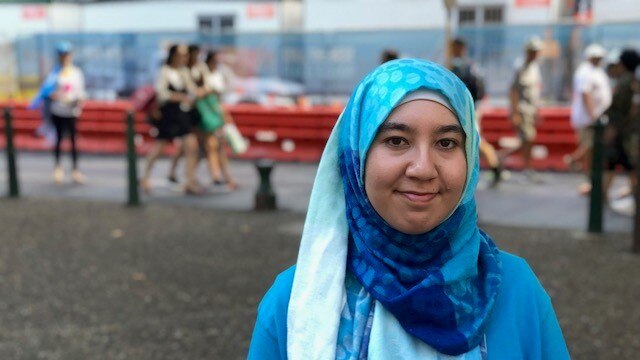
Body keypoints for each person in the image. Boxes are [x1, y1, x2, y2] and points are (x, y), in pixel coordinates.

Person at [247, 59, 569, 359]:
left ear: (469, 159)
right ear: (357, 157)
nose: (423, 169)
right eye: (397, 141)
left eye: (446, 143)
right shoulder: (295, 298)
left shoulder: (515, 290)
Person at [140, 44, 201, 195]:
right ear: (173, 55)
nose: (185, 57)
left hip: (182, 115)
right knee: (160, 146)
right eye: (182, 54)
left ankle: (190, 181)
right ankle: (145, 176)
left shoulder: (184, 72)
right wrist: (180, 97)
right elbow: (162, 94)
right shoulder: (165, 72)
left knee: (191, 145)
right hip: (169, 114)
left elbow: (192, 90)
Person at [450, 37, 502, 186]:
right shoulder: (466, 65)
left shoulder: (462, 66)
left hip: (466, 109)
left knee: (475, 140)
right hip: (464, 109)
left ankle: (495, 167)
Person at [566, 44, 612, 195]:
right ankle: (587, 178)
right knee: (589, 148)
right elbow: (585, 93)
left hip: (597, 118)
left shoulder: (598, 71)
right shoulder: (584, 72)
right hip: (588, 119)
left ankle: (576, 162)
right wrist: (593, 115)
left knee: (592, 147)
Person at [44, 42, 86, 184]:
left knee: (73, 141)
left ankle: (75, 170)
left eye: (66, 54)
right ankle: (58, 168)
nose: (65, 57)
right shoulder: (55, 73)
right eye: (62, 55)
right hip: (58, 111)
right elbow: (47, 91)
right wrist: (58, 96)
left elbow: (80, 92)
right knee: (59, 139)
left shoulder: (76, 73)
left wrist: (76, 101)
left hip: (72, 111)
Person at [504, 37, 543, 182]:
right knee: (527, 138)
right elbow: (513, 91)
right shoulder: (520, 67)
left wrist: (538, 111)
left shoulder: (535, 68)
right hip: (522, 109)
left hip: (531, 109)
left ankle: (502, 157)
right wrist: (514, 113)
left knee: (526, 140)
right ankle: (526, 167)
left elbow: (535, 91)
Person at [603, 49, 640, 202]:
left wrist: (613, 129)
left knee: (623, 163)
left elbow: (621, 110)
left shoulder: (626, 82)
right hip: (627, 132)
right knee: (621, 164)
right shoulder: (632, 81)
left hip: (624, 133)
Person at [202, 50, 237, 190]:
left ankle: (222, 176)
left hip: (215, 113)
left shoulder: (217, 74)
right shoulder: (204, 74)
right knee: (212, 146)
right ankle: (217, 177)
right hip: (208, 114)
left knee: (216, 146)